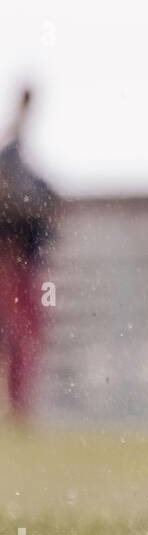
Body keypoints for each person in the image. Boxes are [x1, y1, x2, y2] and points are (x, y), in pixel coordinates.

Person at [0, 86, 59, 422]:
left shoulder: (14, 159)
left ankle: (19, 407)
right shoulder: (9, 161)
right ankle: (17, 408)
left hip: (23, 257)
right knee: (21, 332)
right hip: (14, 257)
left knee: (26, 332)